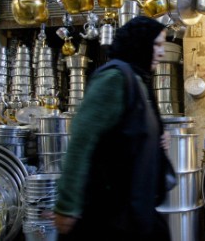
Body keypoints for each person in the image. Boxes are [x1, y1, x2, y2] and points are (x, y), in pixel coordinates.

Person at [53, 16, 176, 240]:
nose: (161, 52)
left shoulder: (139, 79)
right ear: (140, 43)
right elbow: (81, 140)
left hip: (135, 208)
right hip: (110, 213)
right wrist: (67, 206)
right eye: (156, 44)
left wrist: (156, 136)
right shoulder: (114, 78)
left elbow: (131, 129)